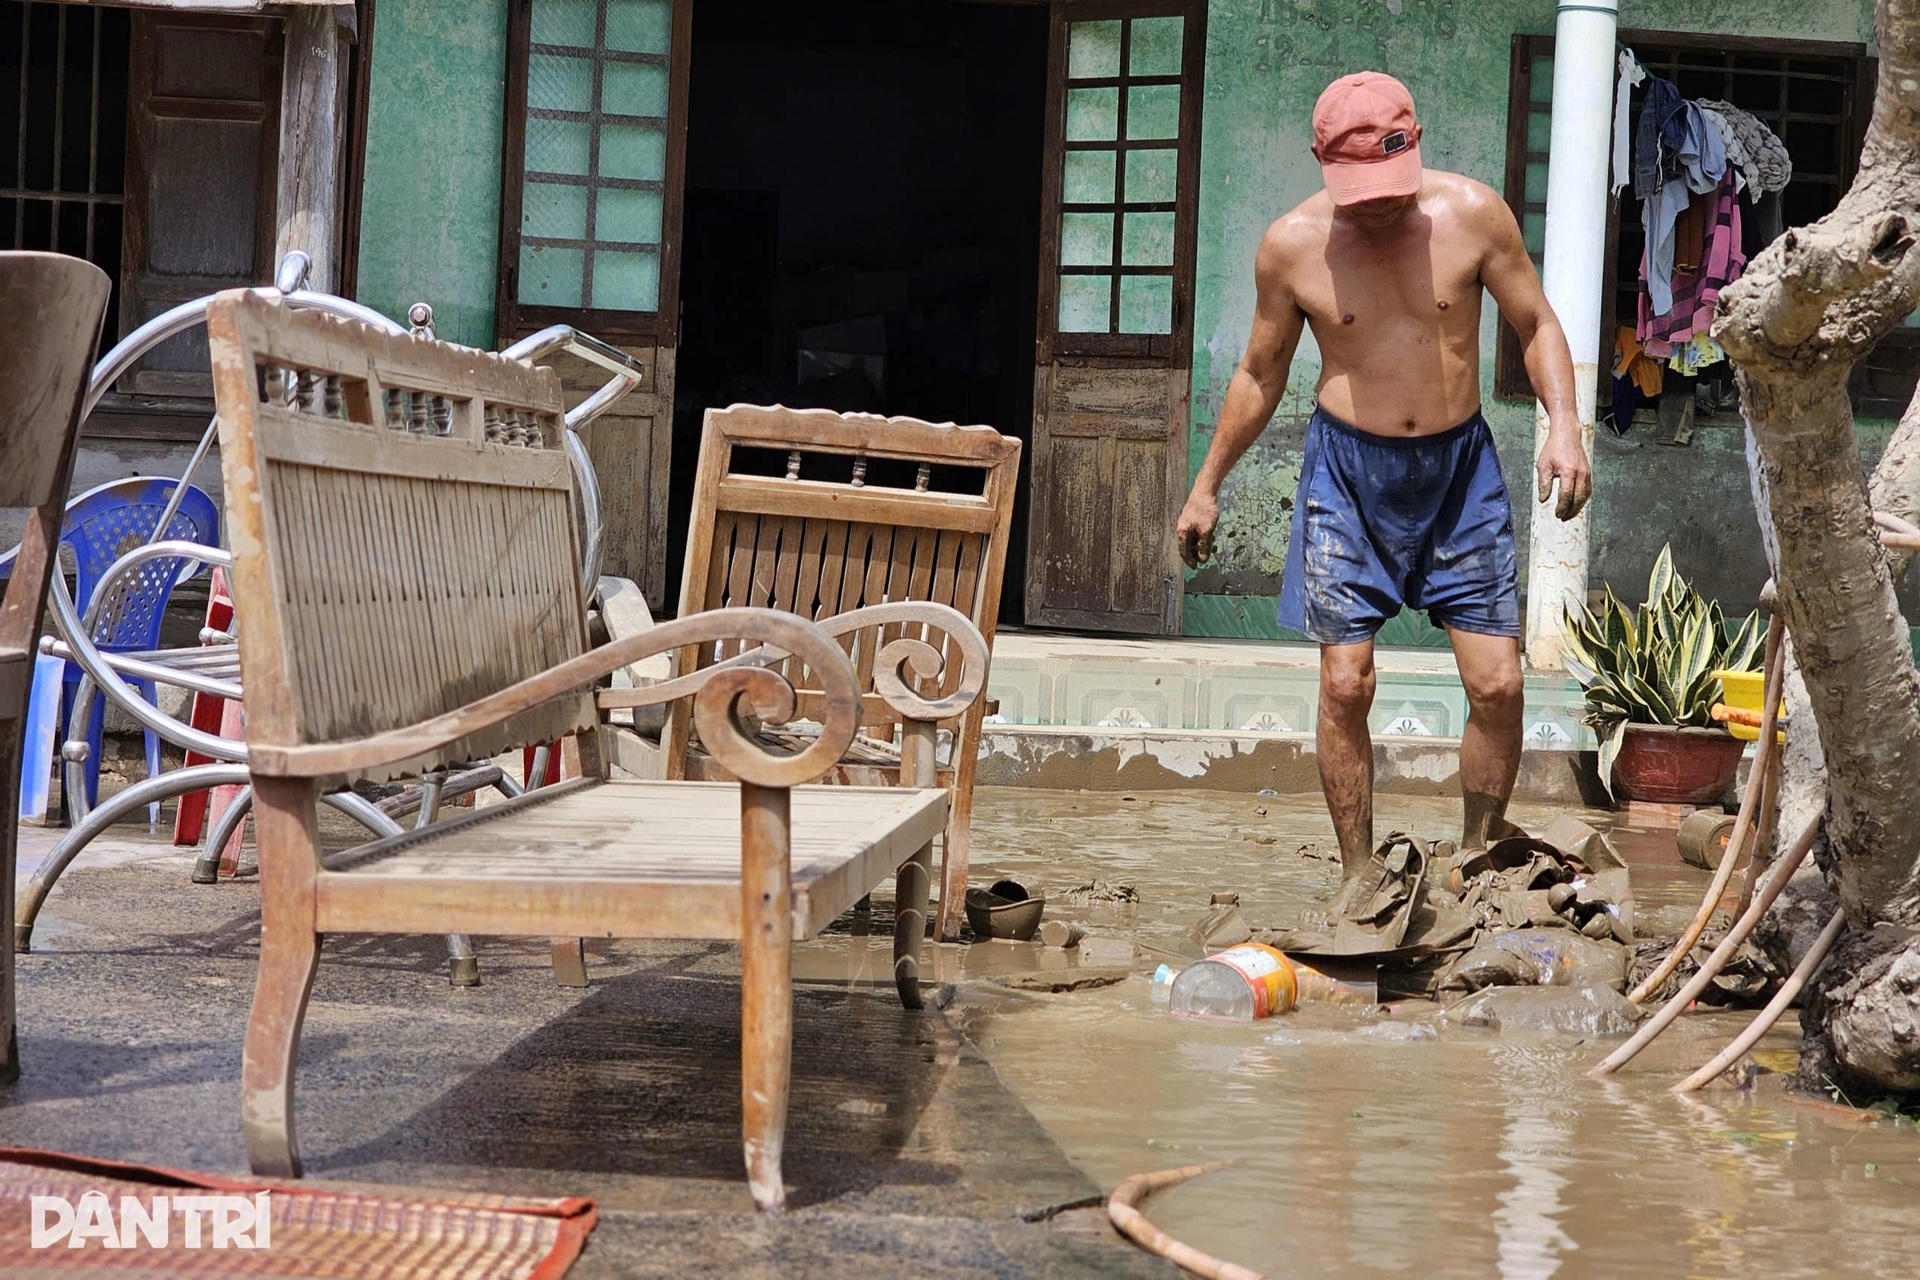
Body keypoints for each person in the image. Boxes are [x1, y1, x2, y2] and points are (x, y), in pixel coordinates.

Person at [1174, 71, 1590, 885]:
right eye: (1357, 190)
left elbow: (1536, 323)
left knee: (1500, 684)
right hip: (1347, 478)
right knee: (1346, 681)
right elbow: (1260, 374)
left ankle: (1476, 857)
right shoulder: (1291, 245)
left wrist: (1566, 426)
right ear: (1323, 164)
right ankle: (1357, 877)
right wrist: (1207, 483)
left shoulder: (1474, 215)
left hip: (1458, 474)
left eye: (1389, 187)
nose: (1377, 205)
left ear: (1418, 146)